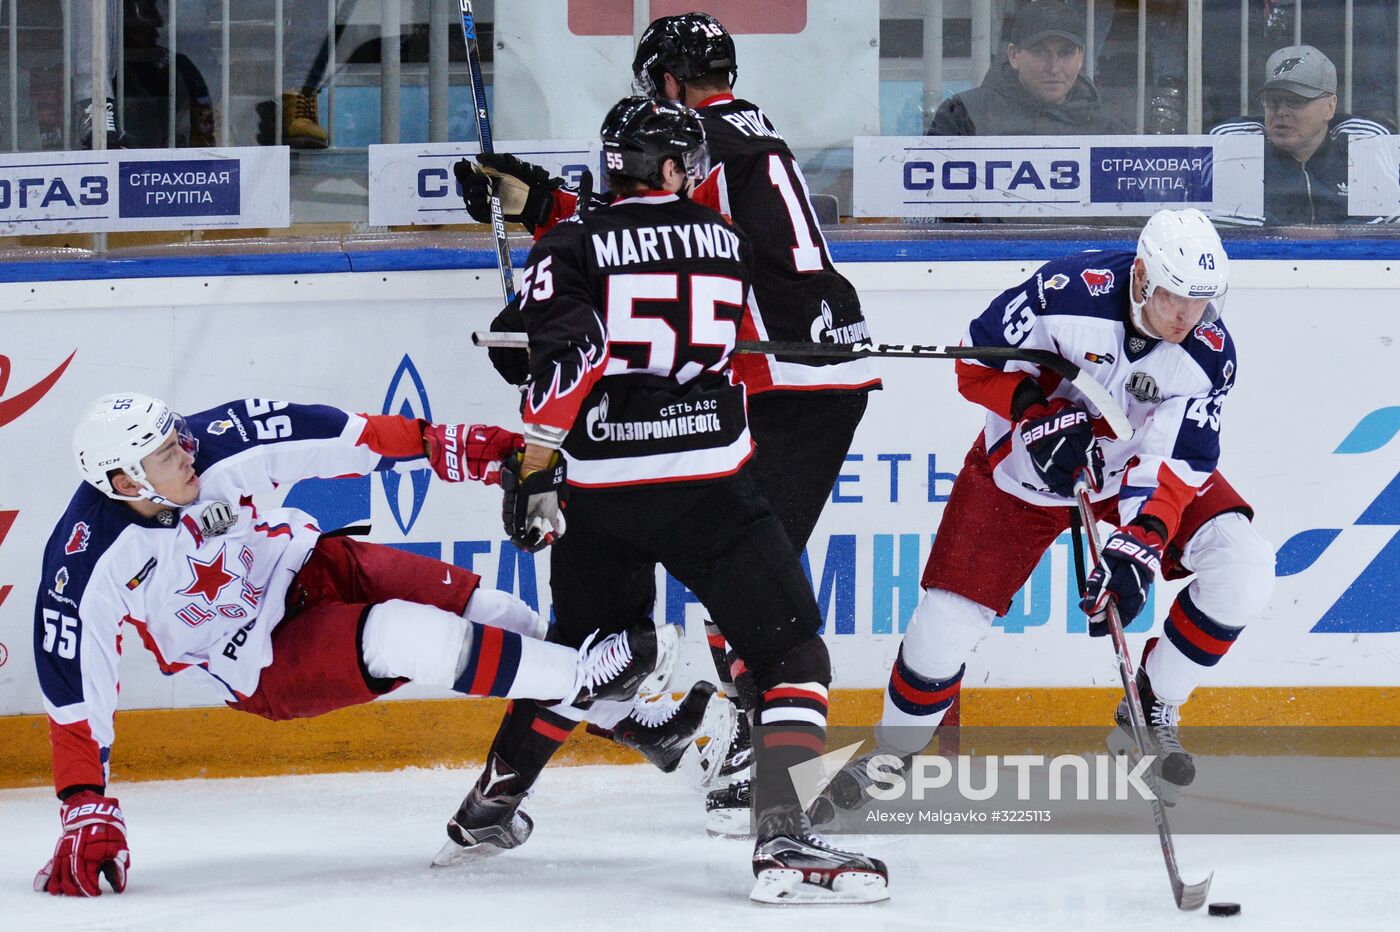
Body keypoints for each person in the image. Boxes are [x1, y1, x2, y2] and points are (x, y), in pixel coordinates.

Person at [438, 97, 888, 904]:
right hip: (706, 481)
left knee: (584, 651)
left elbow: (541, 355)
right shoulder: (725, 242)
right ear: (677, 170)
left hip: (603, 488)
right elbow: (783, 323)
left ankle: (489, 806)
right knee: (792, 656)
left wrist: (539, 457)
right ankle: (781, 834)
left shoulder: (574, 241)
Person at [33, 392, 659, 897]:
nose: (189, 453)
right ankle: (585, 680)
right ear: (125, 480)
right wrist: (85, 801)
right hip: (263, 658)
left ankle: (631, 720)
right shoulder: (86, 562)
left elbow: (348, 435)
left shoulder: (219, 442)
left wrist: (458, 446)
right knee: (401, 636)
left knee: (505, 616)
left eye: (180, 439)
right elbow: (73, 687)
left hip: (310, 564)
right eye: (168, 454)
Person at [825, 209, 1274, 810]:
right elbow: (973, 364)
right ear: (1142, 275)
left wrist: (1140, 542)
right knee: (945, 625)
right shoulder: (1064, 292)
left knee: (1243, 566)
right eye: (1174, 299)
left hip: (1133, 466)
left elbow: (1175, 462)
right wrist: (1034, 410)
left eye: (1200, 303)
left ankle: (1148, 704)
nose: (1186, 318)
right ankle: (895, 749)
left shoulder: (1208, 354)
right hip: (1024, 474)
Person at [1211, 45, 1392, 225]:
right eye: (1273, 101)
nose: (1281, 111)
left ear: (1330, 107)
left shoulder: (1361, 140)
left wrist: (1329, 236)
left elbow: (1391, 225)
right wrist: (1288, 234)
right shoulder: (1238, 140)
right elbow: (1215, 225)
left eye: (1296, 101)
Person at [928, 0, 1124, 136]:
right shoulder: (964, 115)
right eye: (1040, 52)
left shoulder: (1105, 129)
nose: (1054, 68)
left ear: (1080, 57)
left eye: (1065, 53)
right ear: (1014, 55)